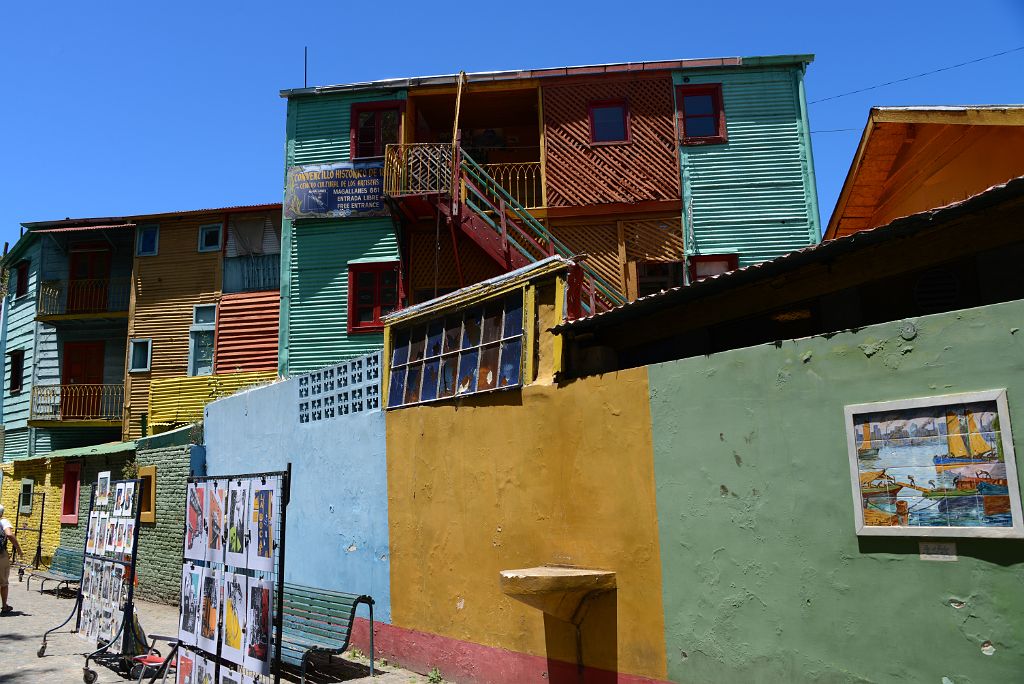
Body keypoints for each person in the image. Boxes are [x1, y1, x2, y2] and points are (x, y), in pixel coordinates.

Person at [1, 503, 23, 614]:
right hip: (0, 555)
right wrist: (18, 548)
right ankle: (4, 606)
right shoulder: (4, 522)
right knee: (3, 582)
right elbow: (9, 534)